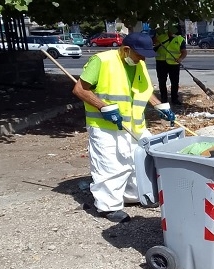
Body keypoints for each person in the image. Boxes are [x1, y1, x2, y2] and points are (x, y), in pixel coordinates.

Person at [72, 33, 176, 223]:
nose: (143, 59)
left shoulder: (137, 63)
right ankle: (108, 206)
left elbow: (143, 90)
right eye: (140, 54)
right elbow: (79, 89)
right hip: (106, 126)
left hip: (134, 124)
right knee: (110, 165)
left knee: (138, 162)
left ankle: (133, 196)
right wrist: (102, 106)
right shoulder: (101, 61)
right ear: (126, 49)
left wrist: (159, 105)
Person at [154, 24, 188, 105]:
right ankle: (164, 99)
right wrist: (155, 40)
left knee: (175, 82)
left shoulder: (180, 39)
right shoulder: (161, 35)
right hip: (161, 62)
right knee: (162, 81)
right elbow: (153, 42)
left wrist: (180, 59)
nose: (169, 31)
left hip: (174, 63)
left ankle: (174, 99)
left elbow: (184, 52)